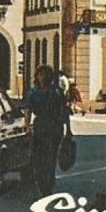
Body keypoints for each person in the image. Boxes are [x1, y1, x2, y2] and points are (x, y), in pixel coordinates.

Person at [25, 65, 69, 195]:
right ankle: (42, 182)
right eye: (40, 74)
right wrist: (27, 127)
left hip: (54, 126)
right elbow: (28, 111)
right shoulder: (33, 93)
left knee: (51, 157)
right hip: (40, 126)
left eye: (44, 74)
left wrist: (69, 129)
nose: (42, 77)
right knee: (39, 158)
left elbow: (64, 111)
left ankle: (48, 183)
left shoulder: (56, 92)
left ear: (49, 77)